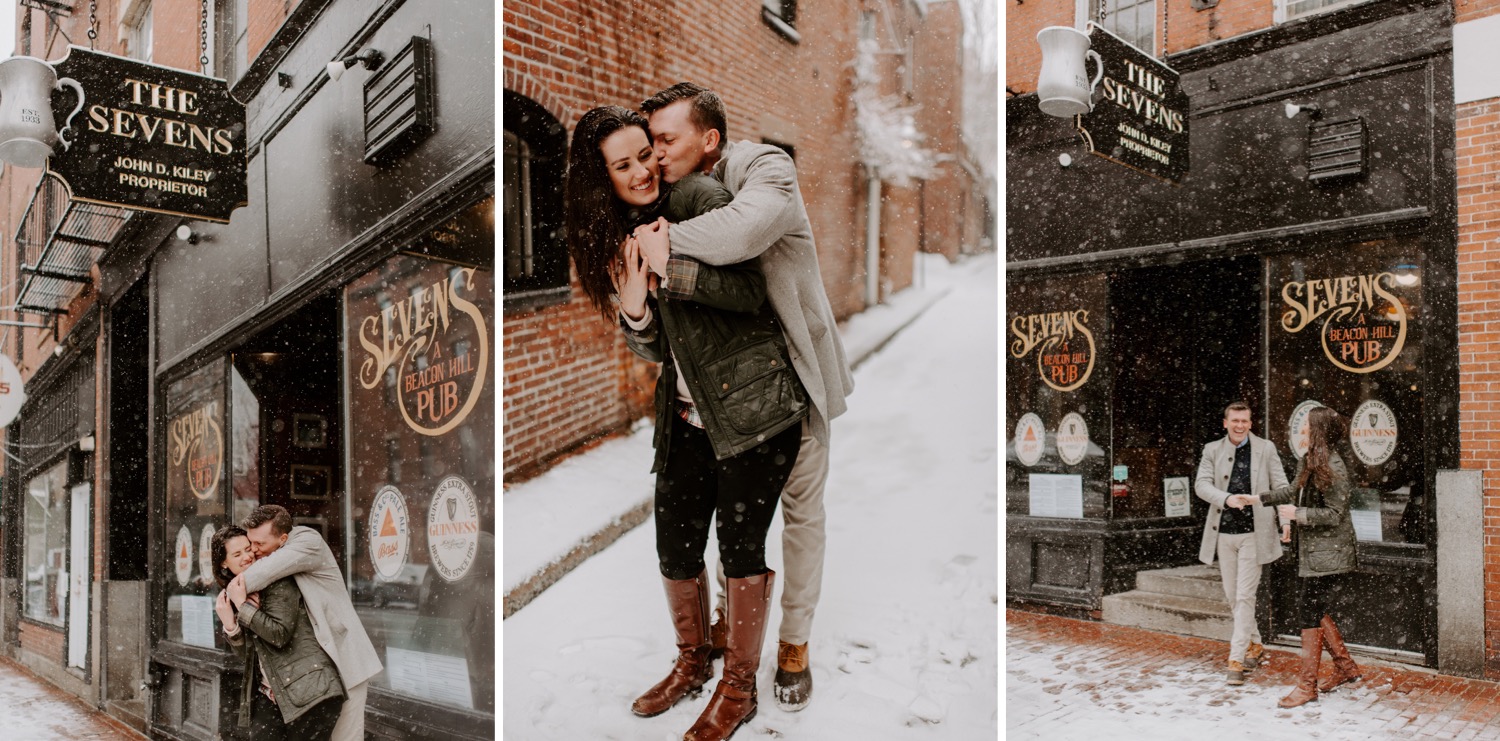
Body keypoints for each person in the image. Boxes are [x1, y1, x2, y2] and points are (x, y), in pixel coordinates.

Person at [564, 104, 808, 741]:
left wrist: (670, 267)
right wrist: (638, 310)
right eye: (624, 165)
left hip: (753, 413)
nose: (644, 170)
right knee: (675, 548)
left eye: (646, 153)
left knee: (739, 552)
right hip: (686, 415)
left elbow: (748, 293)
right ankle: (694, 662)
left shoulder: (697, 197)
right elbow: (655, 347)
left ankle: (738, 687)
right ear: (603, 179)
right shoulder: (622, 235)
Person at [636, 82, 855, 712]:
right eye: (649, 142)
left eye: (666, 139)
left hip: (798, 380)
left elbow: (742, 232)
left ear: (709, 140)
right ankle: (728, 638)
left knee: (801, 517)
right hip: (727, 399)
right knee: (741, 528)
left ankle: (793, 646)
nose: (655, 154)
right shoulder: (667, 198)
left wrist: (662, 243)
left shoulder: (765, 167)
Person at [226, 506, 382, 741]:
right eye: (250, 543)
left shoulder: (308, 541)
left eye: (259, 544)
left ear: (283, 538)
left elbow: (249, 579)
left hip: (346, 661)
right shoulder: (277, 554)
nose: (254, 551)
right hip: (317, 673)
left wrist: (233, 594)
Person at [1247, 406, 1362, 708]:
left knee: (1308, 611)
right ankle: (1345, 666)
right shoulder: (1310, 461)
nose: (1302, 431)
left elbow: (1336, 514)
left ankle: (1307, 686)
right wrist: (1258, 498)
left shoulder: (1334, 466)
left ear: (1319, 432)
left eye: (1307, 427)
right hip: (1311, 552)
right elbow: (1291, 491)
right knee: (1313, 607)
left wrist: (1298, 515)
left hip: (1328, 553)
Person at [211, 525, 345, 740]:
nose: (247, 556)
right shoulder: (240, 591)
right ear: (224, 563)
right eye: (237, 554)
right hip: (274, 694)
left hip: (310, 691)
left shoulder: (276, 582)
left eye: (248, 548)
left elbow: (279, 634)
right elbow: (250, 656)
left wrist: (244, 607)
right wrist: (231, 626)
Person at [1194, 401, 1289, 686]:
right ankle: (1255, 644)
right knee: (1234, 597)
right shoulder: (1212, 450)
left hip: (1254, 534)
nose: (1239, 426)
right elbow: (1201, 485)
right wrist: (1226, 498)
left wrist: (1286, 523)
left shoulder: (1266, 448)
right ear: (1225, 423)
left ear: (1251, 422)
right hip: (1223, 533)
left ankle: (1236, 659)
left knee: (1245, 596)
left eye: (1244, 421)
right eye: (1234, 421)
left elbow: (1282, 487)